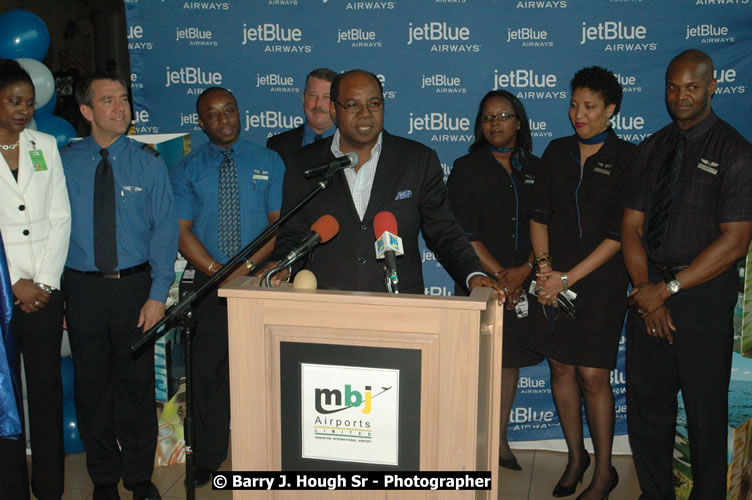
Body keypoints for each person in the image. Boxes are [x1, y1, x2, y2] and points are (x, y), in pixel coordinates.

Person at [622, 49, 752, 500]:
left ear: (713, 87)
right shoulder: (652, 147)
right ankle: (655, 493)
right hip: (648, 289)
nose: (681, 96)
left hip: (701, 297)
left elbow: (735, 241)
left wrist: (669, 289)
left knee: (704, 412)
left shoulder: (735, 152)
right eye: (673, 87)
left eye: (692, 87)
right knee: (647, 409)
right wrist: (647, 291)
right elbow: (631, 226)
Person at [267, 69, 502, 298]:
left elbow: (443, 231)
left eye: (374, 104)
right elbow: (293, 232)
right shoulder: (305, 164)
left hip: (397, 306)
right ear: (333, 109)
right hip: (325, 304)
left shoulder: (417, 160)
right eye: (352, 104)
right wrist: (284, 267)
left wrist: (472, 274)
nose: (365, 113)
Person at [61, 73, 178, 500]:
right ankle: (104, 481)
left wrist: (156, 295)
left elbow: (165, 232)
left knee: (136, 387)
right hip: (83, 290)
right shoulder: (64, 162)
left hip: (135, 289)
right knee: (92, 390)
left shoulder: (147, 162)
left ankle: (139, 478)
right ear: (87, 111)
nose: (121, 108)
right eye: (109, 101)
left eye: (124, 99)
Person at [528, 66, 636, 499]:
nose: (579, 114)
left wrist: (567, 278)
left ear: (611, 110)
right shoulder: (556, 152)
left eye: (589, 106)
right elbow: (539, 217)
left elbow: (620, 234)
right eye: (573, 104)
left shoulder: (629, 158)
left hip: (601, 282)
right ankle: (576, 457)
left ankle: (604, 471)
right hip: (553, 277)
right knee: (561, 367)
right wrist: (545, 271)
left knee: (593, 375)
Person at [170, 86, 284, 486]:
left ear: (240, 113)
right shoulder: (187, 168)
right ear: (201, 123)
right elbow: (181, 231)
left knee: (265, 372)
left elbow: (278, 224)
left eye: (230, 111)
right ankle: (208, 456)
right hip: (208, 281)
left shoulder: (268, 160)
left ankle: (268, 453)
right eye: (213, 115)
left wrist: (250, 267)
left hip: (260, 280)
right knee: (208, 373)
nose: (224, 120)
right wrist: (219, 271)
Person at [447, 90, 543, 471]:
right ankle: (466, 444)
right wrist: (501, 276)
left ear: (518, 121)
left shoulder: (536, 168)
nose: (495, 123)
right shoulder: (466, 168)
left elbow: (549, 225)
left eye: (503, 115)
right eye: (487, 117)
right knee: (476, 362)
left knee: (508, 364)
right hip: (482, 283)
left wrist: (526, 269)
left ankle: (499, 440)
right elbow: (463, 232)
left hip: (525, 281)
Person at [0, 58, 70, 500]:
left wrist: (42, 283)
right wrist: (12, 285)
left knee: (45, 394)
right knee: (4, 400)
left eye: (29, 102)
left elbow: (60, 217)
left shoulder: (43, 144)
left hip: (44, 294)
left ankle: (50, 489)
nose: (23, 109)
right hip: (2, 295)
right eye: (13, 101)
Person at [266, 68, 337, 166]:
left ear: (336, 103)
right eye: (312, 95)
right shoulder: (277, 145)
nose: (318, 104)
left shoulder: (352, 144)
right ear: (303, 98)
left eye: (326, 97)